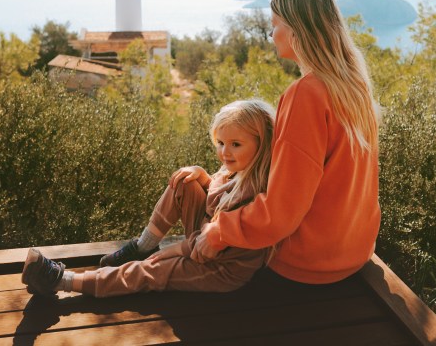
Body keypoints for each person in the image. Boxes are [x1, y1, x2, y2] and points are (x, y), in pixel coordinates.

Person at [191, 0, 380, 285]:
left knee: (193, 207)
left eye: (275, 24)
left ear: (296, 30)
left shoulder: (307, 94)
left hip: (307, 263)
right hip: (353, 253)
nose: (271, 33)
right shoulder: (353, 86)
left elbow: (282, 211)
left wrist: (219, 231)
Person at [21, 99, 275, 297]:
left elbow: (203, 249)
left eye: (235, 145)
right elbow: (216, 202)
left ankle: (60, 281)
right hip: (206, 242)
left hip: (219, 268)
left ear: (261, 144)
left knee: (154, 270)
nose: (224, 152)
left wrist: (170, 253)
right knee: (184, 183)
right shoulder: (238, 170)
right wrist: (204, 177)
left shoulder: (249, 194)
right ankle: (144, 245)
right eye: (220, 142)